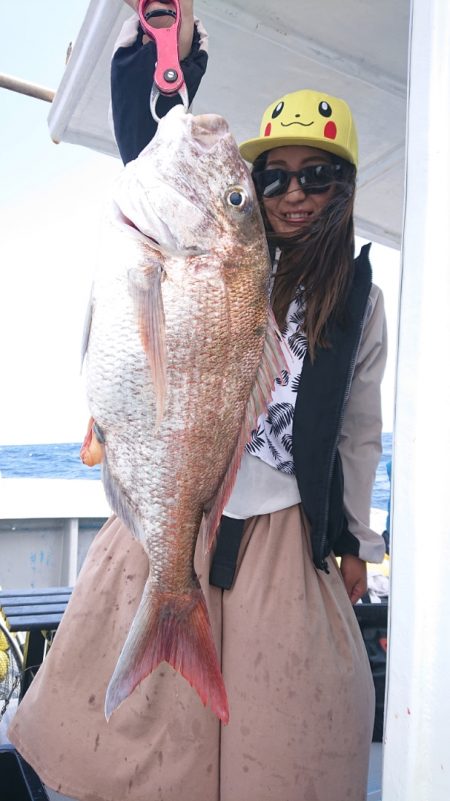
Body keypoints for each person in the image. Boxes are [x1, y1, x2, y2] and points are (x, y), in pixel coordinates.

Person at [8, 2, 387, 800]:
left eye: (315, 176)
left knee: (287, 731)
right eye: (273, 176)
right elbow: (152, 137)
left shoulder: (357, 296)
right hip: (171, 508)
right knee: (139, 737)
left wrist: (353, 537)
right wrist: (162, 47)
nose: (291, 195)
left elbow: (357, 429)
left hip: (284, 530)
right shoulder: (225, 250)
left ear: (344, 184)